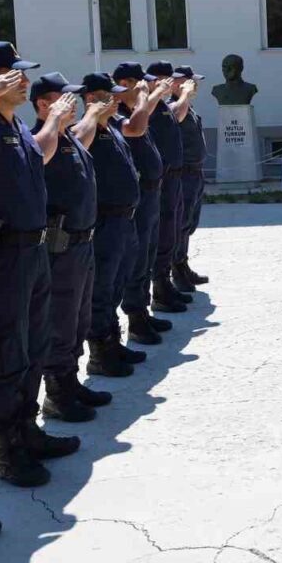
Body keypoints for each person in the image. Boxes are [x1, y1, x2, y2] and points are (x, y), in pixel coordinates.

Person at [0, 42, 79, 488]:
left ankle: (28, 431)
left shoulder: (19, 128)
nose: (25, 81)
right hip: (2, 255)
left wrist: (57, 122)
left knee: (34, 346)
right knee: (7, 353)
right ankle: (6, 452)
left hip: (35, 250)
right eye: (15, 74)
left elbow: (40, 153)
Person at [31, 73, 113, 421]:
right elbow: (35, 156)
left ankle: (71, 380)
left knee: (78, 318)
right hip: (60, 246)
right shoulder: (42, 136)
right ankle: (56, 394)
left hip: (82, 242)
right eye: (63, 97)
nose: (73, 102)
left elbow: (82, 134)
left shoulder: (68, 136)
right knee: (61, 320)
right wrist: (54, 121)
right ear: (43, 104)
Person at [82, 72, 162, 378]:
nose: (116, 99)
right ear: (91, 99)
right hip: (104, 221)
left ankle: (112, 343)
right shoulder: (84, 130)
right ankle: (99, 354)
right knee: (101, 289)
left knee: (117, 284)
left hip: (125, 219)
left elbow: (135, 128)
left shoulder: (114, 126)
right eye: (108, 95)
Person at [113, 62, 178, 349]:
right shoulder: (121, 115)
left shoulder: (138, 108)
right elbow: (137, 129)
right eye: (141, 83)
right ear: (126, 84)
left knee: (149, 253)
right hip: (137, 196)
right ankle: (135, 318)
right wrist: (145, 97)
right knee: (137, 259)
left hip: (152, 192)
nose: (147, 87)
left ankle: (142, 311)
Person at [146, 61, 198, 311]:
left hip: (177, 176)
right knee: (164, 233)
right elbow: (177, 116)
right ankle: (160, 289)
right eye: (164, 78)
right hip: (164, 179)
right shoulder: (149, 104)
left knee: (175, 229)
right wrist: (184, 93)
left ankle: (165, 284)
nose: (169, 83)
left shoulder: (162, 104)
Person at [172, 65, 209, 292]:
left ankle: (183, 264)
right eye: (189, 82)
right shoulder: (173, 106)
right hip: (183, 173)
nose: (195, 86)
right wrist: (183, 94)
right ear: (177, 83)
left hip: (195, 172)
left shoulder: (189, 106)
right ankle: (176, 270)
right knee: (181, 223)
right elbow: (176, 117)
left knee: (189, 223)